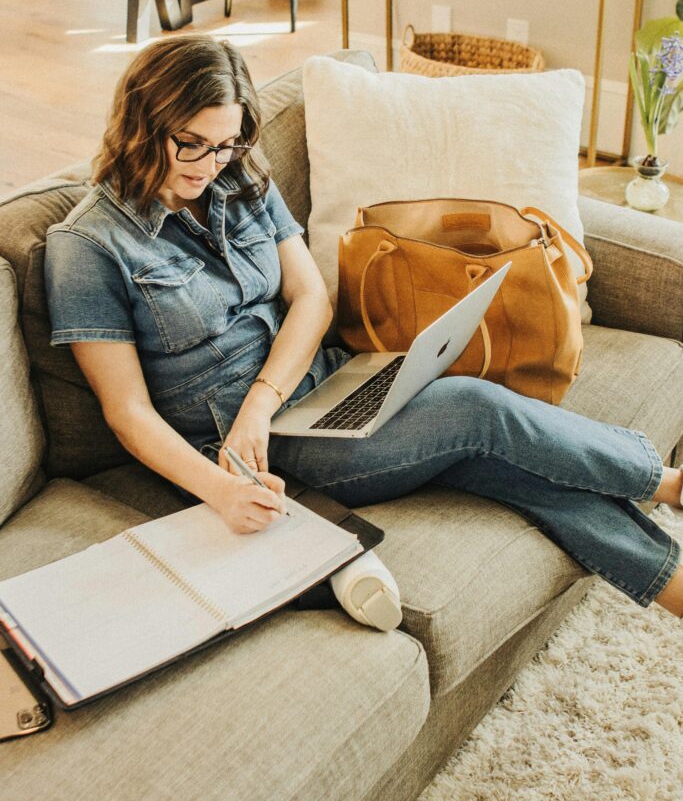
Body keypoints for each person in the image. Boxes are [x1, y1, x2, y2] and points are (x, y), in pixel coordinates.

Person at [44, 35, 683, 623]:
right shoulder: (86, 246)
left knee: (513, 472)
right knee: (478, 410)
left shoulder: (240, 178)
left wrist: (263, 401)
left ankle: (674, 585)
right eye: (192, 143)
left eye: (226, 144)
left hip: (320, 386)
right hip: (253, 452)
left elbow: (311, 299)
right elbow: (127, 412)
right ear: (141, 123)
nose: (210, 164)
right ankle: (668, 484)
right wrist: (220, 488)